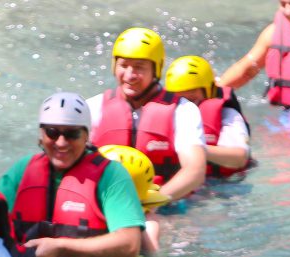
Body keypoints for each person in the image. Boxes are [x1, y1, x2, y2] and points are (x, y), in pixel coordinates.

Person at [0, 92, 149, 257]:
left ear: (86, 135)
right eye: (52, 132)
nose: (61, 143)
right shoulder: (22, 171)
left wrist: (61, 248)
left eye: (72, 134)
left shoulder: (111, 175)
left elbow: (129, 244)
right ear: (41, 134)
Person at [86, 27, 207, 202]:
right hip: (107, 202)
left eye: (139, 67)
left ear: (156, 70)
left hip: (167, 205)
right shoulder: (93, 107)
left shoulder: (183, 111)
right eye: (124, 65)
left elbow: (195, 171)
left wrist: (153, 202)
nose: (129, 75)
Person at [163, 56, 252, 177]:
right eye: (179, 100)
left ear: (209, 91)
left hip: (225, 183)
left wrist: (194, 150)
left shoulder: (227, 115)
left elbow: (240, 158)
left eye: (191, 99)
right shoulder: (164, 113)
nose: (185, 106)